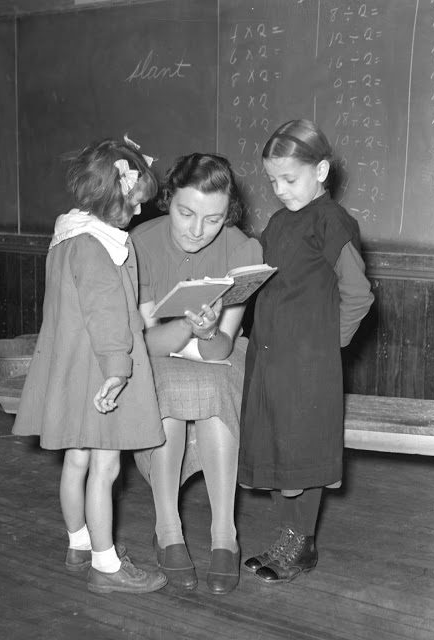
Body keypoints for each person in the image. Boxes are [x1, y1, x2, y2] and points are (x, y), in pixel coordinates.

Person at [12, 138, 167, 594]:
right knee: (106, 468)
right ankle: (106, 565)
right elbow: (106, 316)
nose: (138, 213)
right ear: (112, 194)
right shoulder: (100, 246)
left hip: (72, 371)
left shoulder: (67, 236)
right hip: (101, 372)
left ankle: (78, 542)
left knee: (76, 461)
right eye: (133, 203)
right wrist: (118, 370)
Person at [239, 119, 374, 584]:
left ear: (321, 170)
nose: (279, 190)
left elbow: (358, 294)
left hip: (307, 363)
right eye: (272, 180)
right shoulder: (278, 222)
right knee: (278, 448)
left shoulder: (331, 221)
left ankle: (301, 543)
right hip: (269, 357)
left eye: (289, 179)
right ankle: (286, 537)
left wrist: (324, 348)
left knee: (304, 452)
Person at [132, 153, 263, 595]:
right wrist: (188, 325)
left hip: (220, 355)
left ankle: (225, 535)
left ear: (229, 215)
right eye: (185, 213)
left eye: (213, 219)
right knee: (166, 392)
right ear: (167, 200)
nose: (196, 229)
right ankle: (168, 529)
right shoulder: (140, 243)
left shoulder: (244, 249)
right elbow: (148, 342)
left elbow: (224, 345)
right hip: (159, 353)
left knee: (213, 386)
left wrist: (206, 332)